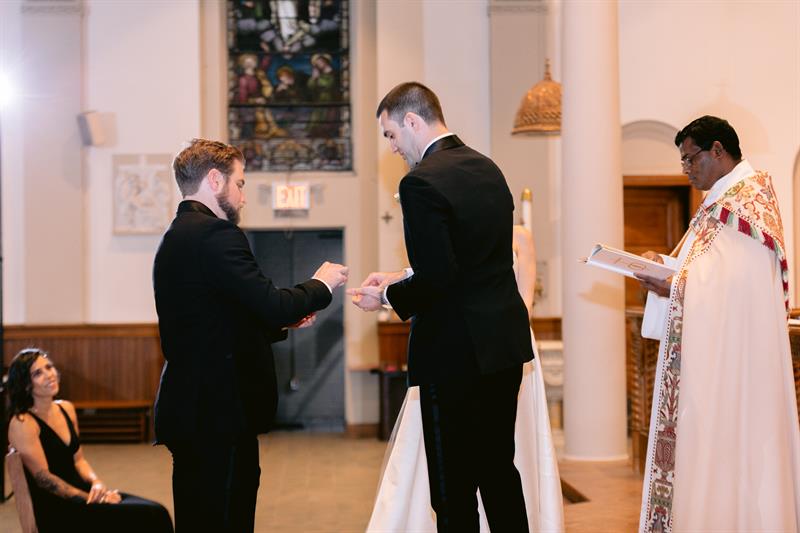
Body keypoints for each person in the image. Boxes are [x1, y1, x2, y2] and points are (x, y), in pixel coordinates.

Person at [348, 82, 533, 532]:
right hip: (502, 349)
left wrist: (386, 296)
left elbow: (439, 277)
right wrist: (398, 280)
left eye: (391, 134)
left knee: (452, 490)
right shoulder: (488, 168)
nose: (392, 147)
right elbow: (470, 263)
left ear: (412, 121)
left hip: (454, 356)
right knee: (499, 474)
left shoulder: (421, 182)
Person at [152, 138, 348, 532]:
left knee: (199, 518)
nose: (243, 196)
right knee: (227, 519)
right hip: (218, 414)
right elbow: (271, 302)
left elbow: (217, 316)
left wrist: (279, 322)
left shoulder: (176, 236)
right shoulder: (215, 235)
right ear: (213, 179)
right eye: (239, 183)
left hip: (193, 410)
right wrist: (321, 284)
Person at [635, 116, 800, 531]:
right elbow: (707, 271)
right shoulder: (718, 204)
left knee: (733, 460)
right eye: (683, 162)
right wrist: (666, 268)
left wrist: (672, 282)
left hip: (737, 364)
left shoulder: (746, 203)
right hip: (715, 354)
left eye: (690, 159)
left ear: (718, 151)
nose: (687, 170)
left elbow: (738, 286)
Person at [365, 224, 564, 532]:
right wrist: (389, 283)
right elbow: (435, 276)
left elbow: (523, 304)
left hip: (505, 351)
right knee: (453, 466)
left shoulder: (520, 235)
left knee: (499, 458)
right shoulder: (449, 233)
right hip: (456, 355)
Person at [6, 348, 174, 533]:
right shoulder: (22, 422)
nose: (49, 375)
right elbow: (45, 479)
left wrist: (97, 483)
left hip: (84, 493)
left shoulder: (66, 408)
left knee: (156, 513)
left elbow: (79, 460)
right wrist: (90, 497)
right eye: (38, 373)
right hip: (59, 507)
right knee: (150, 516)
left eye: (49, 367)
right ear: (25, 384)